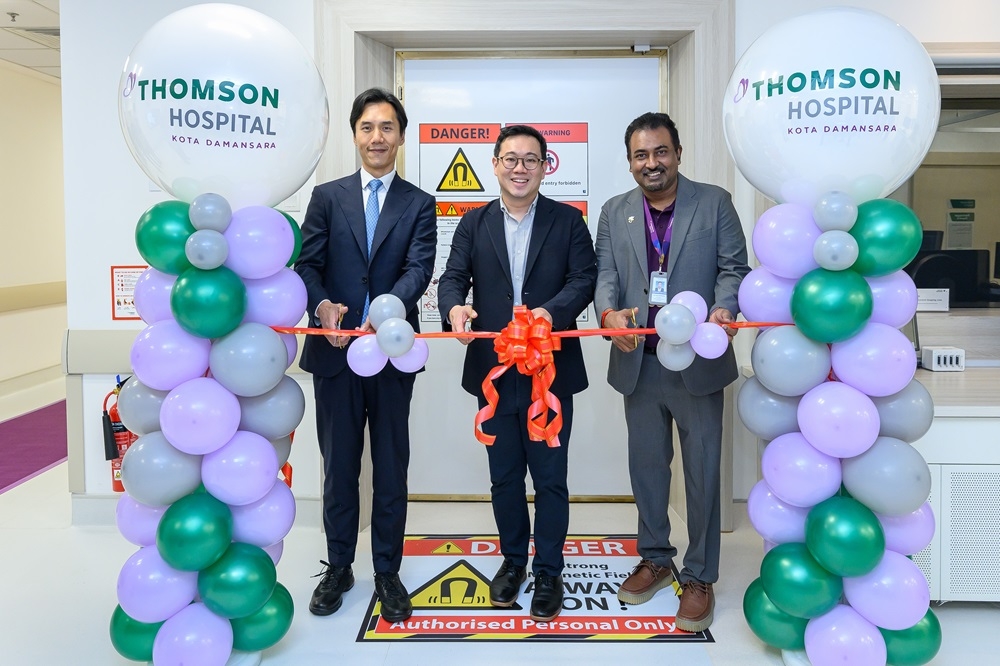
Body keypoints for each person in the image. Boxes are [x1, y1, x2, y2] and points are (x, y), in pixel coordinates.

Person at [594, 112, 750, 632]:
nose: (652, 163)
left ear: (678, 153)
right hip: (638, 360)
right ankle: (656, 557)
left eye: (660, 151)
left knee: (702, 472)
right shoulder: (615, 211)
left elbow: (734, 268)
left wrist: (725, 307)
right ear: (630, 162)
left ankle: (700, 575)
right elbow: (606, 276)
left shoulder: (714, 202)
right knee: (647, 468)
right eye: (641, 155)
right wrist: (607, 314)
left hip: (698, 362)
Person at [437, 125, 596, 623]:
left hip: (549, 369)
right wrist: (454, 309)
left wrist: (551, 312)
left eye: (530, 159)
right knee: (504, 476)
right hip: (496, 371)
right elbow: (452, 278)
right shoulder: (473, 222)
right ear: (495, 164)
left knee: (549, 477)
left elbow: (584, 279)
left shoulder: (568, 221)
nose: (520, 167)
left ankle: (549, 571)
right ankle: (513, 561)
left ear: (545, 166)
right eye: (510, 158)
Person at [295, 88, 437, 623]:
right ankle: (338, 567)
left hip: (392, 353)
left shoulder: (419, 203)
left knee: (392, 467)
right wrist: (323, 305)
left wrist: (388, 312)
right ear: (355, 134)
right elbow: (307, 265)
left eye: (387, 127)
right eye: (367, 127)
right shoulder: (327, 197)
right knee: (339, 468)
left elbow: (420, 268)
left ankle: (387, 571)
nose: (377, 137)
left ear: (400, 136)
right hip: (335, 355)